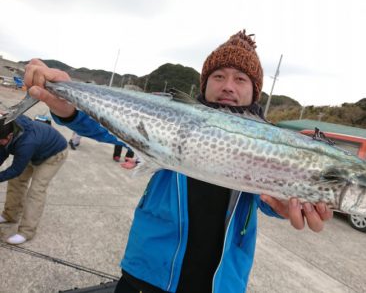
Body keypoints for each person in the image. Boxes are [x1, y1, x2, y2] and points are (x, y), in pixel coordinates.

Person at [24, 30, 333, 292]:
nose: (228, 85)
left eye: (240, 78)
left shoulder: (273, 144)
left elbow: (268, 201)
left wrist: (287, 205)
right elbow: (109, 128)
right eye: (219, 76)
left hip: (222, 283)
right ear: (204, 84)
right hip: (147, 271)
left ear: (255, 91)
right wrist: (66, 106)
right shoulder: (172, 119)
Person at [0, 115, 68, 244]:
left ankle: (26, 232)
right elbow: (3, 151)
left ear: (9, 136)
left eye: (1, 140)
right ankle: (10, 215)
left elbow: (15, 169)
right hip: (34, 150)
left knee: (36, 191)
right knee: (16, 182)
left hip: (53, 154)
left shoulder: (27, 143)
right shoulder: (6, 126)